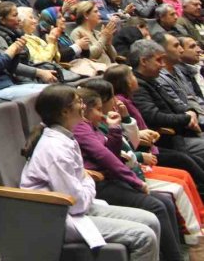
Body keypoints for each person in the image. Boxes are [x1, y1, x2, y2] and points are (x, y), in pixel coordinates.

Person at [20, 84, 160, 261]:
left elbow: (81, 187)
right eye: (78, 102)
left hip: (76, 208)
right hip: (58, 218)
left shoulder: (65, 137)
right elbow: (76, 203)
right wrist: (88, 182)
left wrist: (85, 182)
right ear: (65, 112)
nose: (83, 106)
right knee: (143, 236)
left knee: (151, 220)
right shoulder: (55, 149)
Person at [73, 86, 184, 261]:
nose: (102, 114)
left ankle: (172, 256)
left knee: (165, 202)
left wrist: (114, 129)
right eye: (98, 110)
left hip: (111, 179)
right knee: (156, 206)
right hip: (99, 184)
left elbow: (112, 152)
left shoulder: (91, 126)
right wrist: (136, 181)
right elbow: (105, 157)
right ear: (84, 109)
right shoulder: (80, 128)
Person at [106, 63, 204, 191]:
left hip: (151, 144)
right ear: (128, 83)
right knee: (183, 159)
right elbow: (128, 130)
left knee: (194, 160)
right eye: (132, 76)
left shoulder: (128, 99)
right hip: (143, 149)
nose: (136, 79)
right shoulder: (120, 102)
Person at [129, 39, 204, 173]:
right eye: (159, 60)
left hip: (182, 132)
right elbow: (154, 117)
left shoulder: (151, 80)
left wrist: (191, 111)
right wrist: (187, 118)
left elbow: (175, 105)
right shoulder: (137, 85)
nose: (163, 65)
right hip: (168, 139)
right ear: (144, 61)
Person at [0, 2, 59, 85]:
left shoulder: (14, 34)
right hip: (12, 82)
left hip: (25, 77)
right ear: (2, 20)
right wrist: (39, 72)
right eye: (14, 15)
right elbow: (7, 65)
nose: (19, 19)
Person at [70, 0, 120, 68]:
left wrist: (108, 43)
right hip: (96, 70)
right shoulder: (77, 32)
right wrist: (104, 37)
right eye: (96, 12)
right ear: (86, 15)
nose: (99, 14)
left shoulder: (97, 33)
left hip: (110, 67)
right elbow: (91, 55)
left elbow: (114, 57)